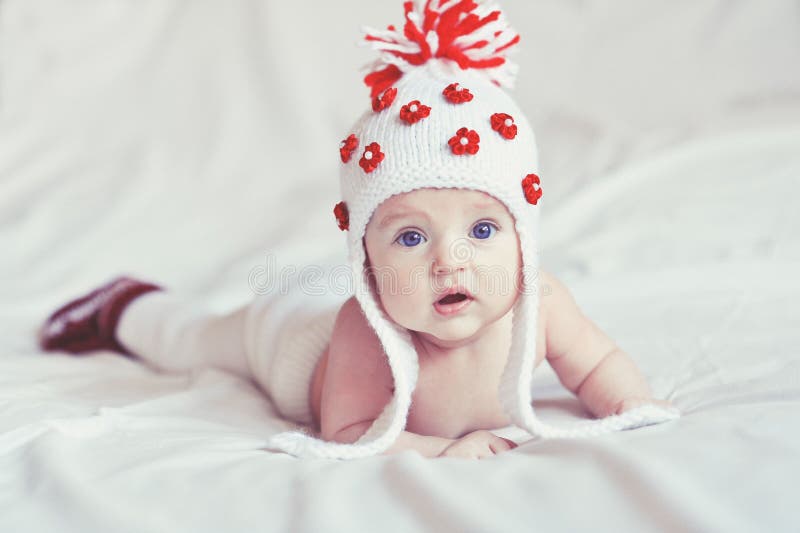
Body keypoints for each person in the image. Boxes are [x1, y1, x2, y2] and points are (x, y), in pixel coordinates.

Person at [38, 0, 680, 460]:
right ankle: (127, 305)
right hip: (290, 340)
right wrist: (440, 450)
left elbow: (597, 365)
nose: (450, 261)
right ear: (366, 256)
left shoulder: (543, 304)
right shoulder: (363, 330)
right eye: (410, 238)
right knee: (197, 341)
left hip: (336, 300)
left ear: (525, 236)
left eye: (484, 229)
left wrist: (628, 402)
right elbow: (347, 431)